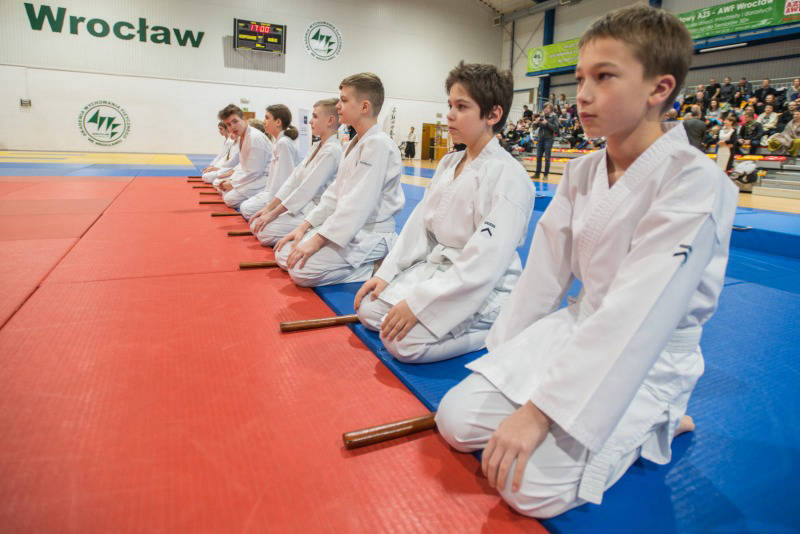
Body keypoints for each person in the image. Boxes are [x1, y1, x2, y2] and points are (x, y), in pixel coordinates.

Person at [435, 5, 738, 518]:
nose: (582, 94)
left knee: (526, 487)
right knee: (457, 420)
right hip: (581, 326)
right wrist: (506, 363)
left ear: (659, 89)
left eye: (604, 77)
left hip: (648, 352)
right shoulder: (580, 172)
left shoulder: (696, 184)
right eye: (579, 78)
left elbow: (638, 314)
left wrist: (539, 410)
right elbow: (541, 279)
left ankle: (662, 415)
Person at [354, 62, 535, 364]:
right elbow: (419, 227)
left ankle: (498, 327)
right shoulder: (448, 164)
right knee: (370, 311)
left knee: (402, 343)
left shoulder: (509, 176)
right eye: (450, 104)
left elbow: (485, 261)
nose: (450, 114)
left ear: (493, 115)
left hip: (483, 284)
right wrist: (387, 274)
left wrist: (420, 304)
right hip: (440, 269)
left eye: (462, 106)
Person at [274, 72, 405, 287]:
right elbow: (334, 194)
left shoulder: (379, 145)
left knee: (300, 270)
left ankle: (374, 267)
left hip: (371, 232)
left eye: (344, 100)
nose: (338, 106)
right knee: (284, 254)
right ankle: (362, 263)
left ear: (364, 107)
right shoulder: (354, 143)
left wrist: (316, 240)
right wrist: (304, 227)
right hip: (351, 227)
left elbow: (358, 204)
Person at [249, 98, 343, 247]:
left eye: (315, 116)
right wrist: (269, 208)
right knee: (257, 224)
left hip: (315, 207)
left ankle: (311, 229)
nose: (310, 121)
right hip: (302, 204)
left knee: (263, 232)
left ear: (330, 120)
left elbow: (306, 190)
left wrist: (273, 214)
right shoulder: (317, 145)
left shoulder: (332, 150)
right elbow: (294, 179)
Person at [239, 104, 301, 220]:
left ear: (278, 122)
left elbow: (283, 179)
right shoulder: (279, 142)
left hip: (281, 195)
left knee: (246, 209)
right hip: (271, 191)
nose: (264, 122)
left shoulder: (284, 143)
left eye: (267, 118)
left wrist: (271, 206)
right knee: (245, 207)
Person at [214, 104, 272, 210]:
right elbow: (243, 167)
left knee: (229, 199)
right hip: (253, 176)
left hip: (264, 179)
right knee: (220, 186)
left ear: (244, 119)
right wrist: (231, 180)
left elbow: (255, 172)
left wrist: (233, 183)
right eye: (229, 124)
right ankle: (249, 198)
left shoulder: (254, 138)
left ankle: (257, 200)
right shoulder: (242, 137)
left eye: (235, 121)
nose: (233, 127)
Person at [532, 103, 559, 179]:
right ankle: (537, 174)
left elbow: (556, 128)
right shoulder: (541, 117)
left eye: (548, 108)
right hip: (540, 139)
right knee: (538, 157)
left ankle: (545, 175)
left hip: (549, 139)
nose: (546, 109)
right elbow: (534, 127)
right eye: (545, 108)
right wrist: (535, 123)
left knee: (547, 157)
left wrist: (547, 123)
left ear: (551, 109)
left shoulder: (554, 117)